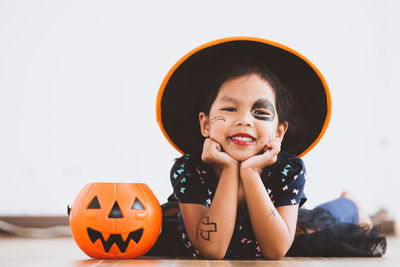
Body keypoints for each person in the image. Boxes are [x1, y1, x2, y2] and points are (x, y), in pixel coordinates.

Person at [151, 37, 386, 259]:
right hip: (205, 234)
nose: (244, 120)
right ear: (205, 123)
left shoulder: (288, 169)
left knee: (319, 224)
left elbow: (275, 251)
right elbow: (213, 250)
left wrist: (250, 173)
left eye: (260, 113)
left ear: (279, 132)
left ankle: (351, 203)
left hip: (276, 228)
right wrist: (230, 170)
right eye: (230, 109)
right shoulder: (188, 169)